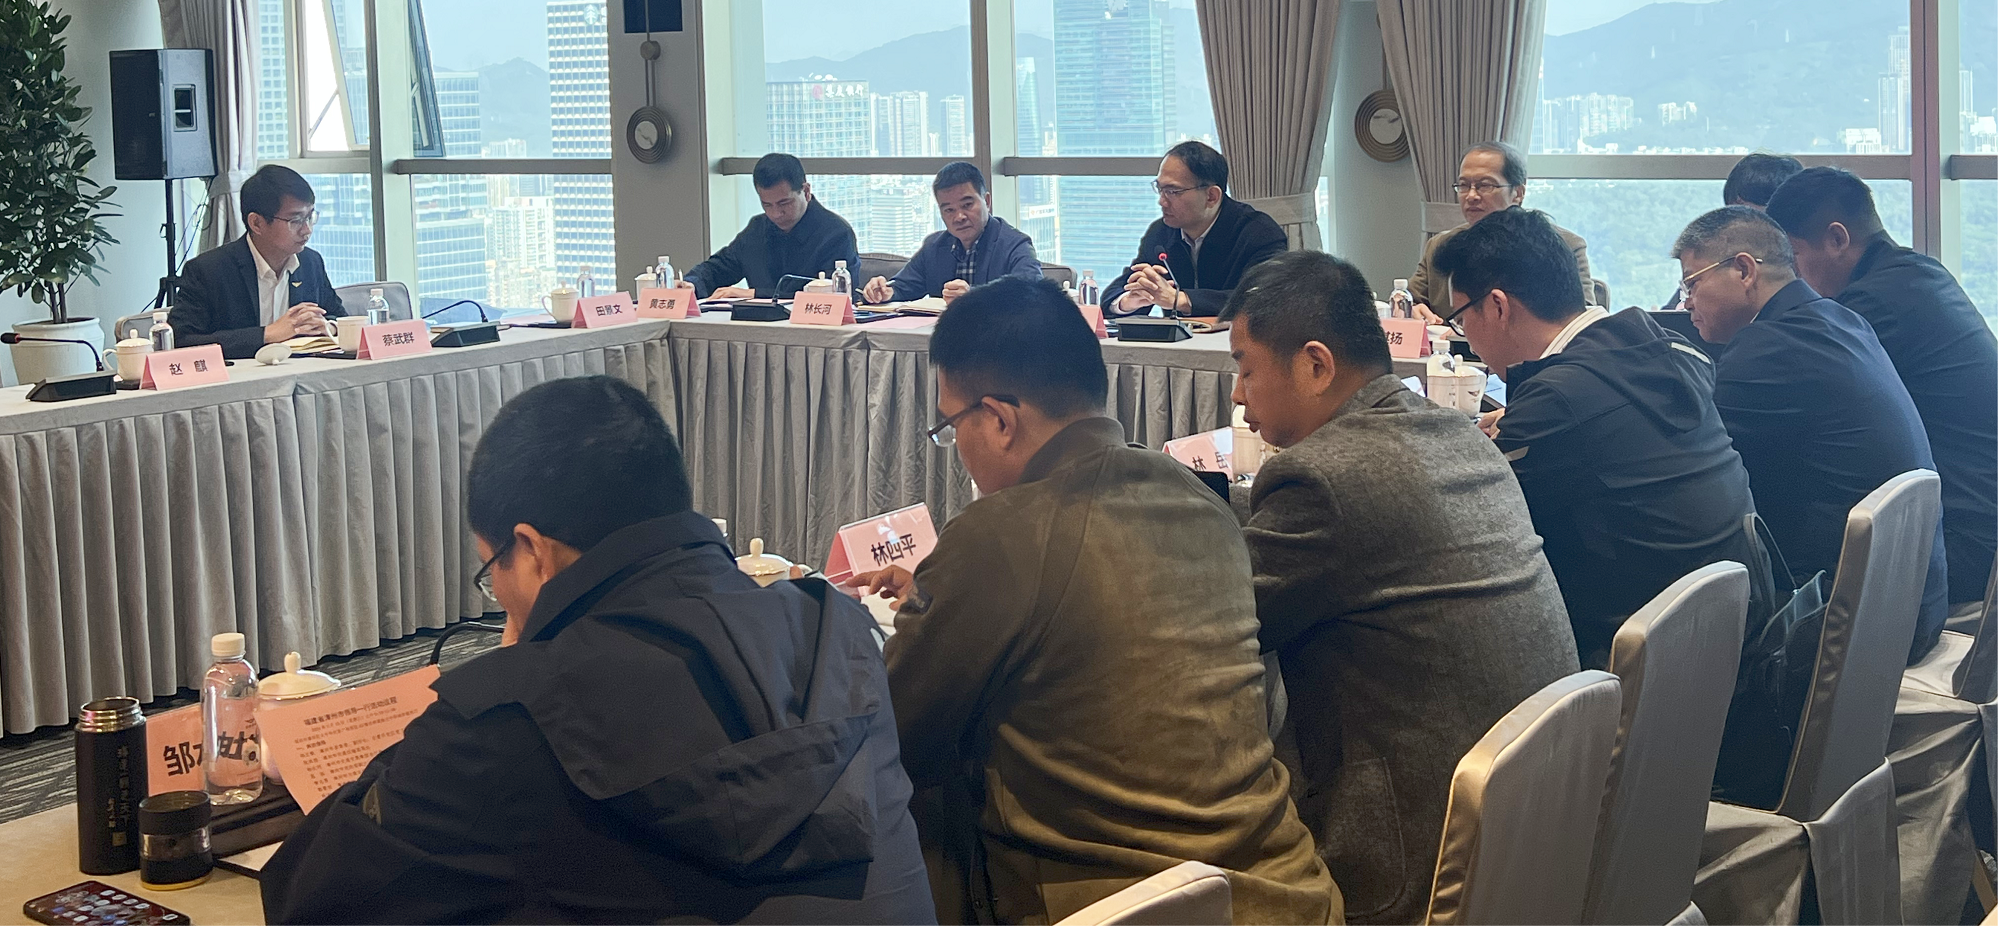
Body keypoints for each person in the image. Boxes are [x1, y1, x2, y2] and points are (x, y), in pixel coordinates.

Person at [260, 375, 935, 924]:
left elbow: (307, 895)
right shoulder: (838, 631)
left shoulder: (508, 717)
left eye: (491, 568)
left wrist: (491, 687)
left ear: (531, 549)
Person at [847, 279, 1336, 925]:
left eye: (951, 425)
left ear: (998, 420)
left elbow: (893, 732)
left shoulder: (999, 533)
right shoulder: (1199, 499)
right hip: (1285, 894)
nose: (955, 445)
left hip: (1119, 907)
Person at [1220, 251, 1577, 924]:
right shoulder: (1459, 434)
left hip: (1413, 864)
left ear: (1316, 365)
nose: (1238, 395)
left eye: (1245, 368)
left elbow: (1214, 628)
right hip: (1532, 834)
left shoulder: (1322, 477)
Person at [1431, 207, 1776, 669]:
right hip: (1732, 638)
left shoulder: (1557, 400)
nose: (1467, 339)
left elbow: (1471, 526)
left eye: (1459, 319)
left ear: (1497, 306)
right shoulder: (1662, 346)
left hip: (1635, 667)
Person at [1673, 206, 1949, 660]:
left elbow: (1694, 465)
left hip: (1847, 627)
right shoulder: (1838, 319)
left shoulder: (1767, 347)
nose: (1685, 303)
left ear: (1743, 270)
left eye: (1691, 283)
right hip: (1910, 605)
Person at [1765, 167, 1997, 607]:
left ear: (1837, 239)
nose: (1789, 278)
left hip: (1963, 545)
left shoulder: (1868, 307)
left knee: (1784, 553)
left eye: (1793, 258)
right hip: (1982, 526)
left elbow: (1798, 404)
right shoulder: (1918, 274)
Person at [168, 164, 347, 358]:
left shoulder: (311, 263)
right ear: (257, 223)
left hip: (302, 373)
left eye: (310, 217)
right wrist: (267, 334)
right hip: (239, 375)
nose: (307, 230)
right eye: (295, 220)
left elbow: (340, 317)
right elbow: (182, 340)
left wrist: (328, 327)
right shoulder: (208, 270)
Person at [1409, 142, 1593, 322]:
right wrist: (1411, 309)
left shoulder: (1564, 246)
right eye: (1464, 185)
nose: (1471, 196)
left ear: (1518, 193)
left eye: (1485, 185)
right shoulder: (1440, 245)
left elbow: (1582, 320)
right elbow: (1409, 300)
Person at [1102, 140, 1287, 316]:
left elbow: (1264, 301)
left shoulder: (1259, 233)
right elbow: (1113, 295)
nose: (1161, 201)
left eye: (1172, 191)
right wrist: (1130, 300)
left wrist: (1181, 300)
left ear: (1211, 196)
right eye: (1160, 189)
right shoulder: (1161, 233)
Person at [682, 152, 861, 298]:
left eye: (784, 203)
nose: (775, 214)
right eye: (767, 205)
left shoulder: (836, 234)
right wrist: (692, 284)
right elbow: (720, 267)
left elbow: (834, 296)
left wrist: (755, 295)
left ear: (806, 191)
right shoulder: (758, 228)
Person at [861, 162, 1040, 304]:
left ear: (986, 201)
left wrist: (973, 296)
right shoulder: (935, 246)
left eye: (967, 205)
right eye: (949, 210)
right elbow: (904, 286)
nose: (959, 217)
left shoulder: (1014, 244)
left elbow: (1032, 294)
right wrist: (885, 291)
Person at [1660, 152, 1801, 309]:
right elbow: (1671, 314)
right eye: (1733, 215)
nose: (1737, 227)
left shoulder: (1801, 280)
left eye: (1752, 217)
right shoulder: (1717, 264)